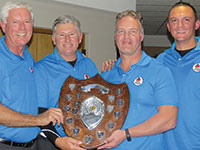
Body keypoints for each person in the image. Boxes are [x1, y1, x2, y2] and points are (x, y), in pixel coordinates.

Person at [98, 10, 178, 150]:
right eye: (121, 31)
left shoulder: (159, 71)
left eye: (132, 32)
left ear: (141, 36)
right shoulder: (106, 76)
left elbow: (169, 119)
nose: (126, 36)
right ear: (115, 37)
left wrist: (126, 134)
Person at [0, 1, 64, 150]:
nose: (22, 27)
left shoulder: (28, 58)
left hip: (33, 144)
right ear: (3, 26)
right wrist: (39, 119)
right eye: (15, 22)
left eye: (27, 22)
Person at [35, 15, 98, 150]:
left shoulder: (89, 65)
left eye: (72, 34)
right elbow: (40, 112)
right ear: (54, 40)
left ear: (80, 38)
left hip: (88, 141)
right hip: (55, 142)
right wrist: (58, 141)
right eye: (62, 35)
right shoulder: (41, 68)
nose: (67, 39)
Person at [156, 2, 200, 149]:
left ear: (196, 24)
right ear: (168, 27)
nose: (180, 25)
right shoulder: (160, 61)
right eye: (174, 20)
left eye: (186, 20)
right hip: (164, 145)